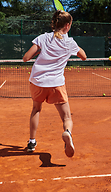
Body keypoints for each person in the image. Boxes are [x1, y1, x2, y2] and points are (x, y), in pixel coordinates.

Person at [23, 10, 87, 157]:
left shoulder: (43, 38)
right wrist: (69, 45)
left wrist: (40, 52)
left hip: (37, 82)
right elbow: (84, 56)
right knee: (66, 118)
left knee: (36, 109)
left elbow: (26, 58)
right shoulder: (70, 43)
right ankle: (67, 132)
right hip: (56, 83)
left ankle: (32, 141)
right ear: (67, 25)